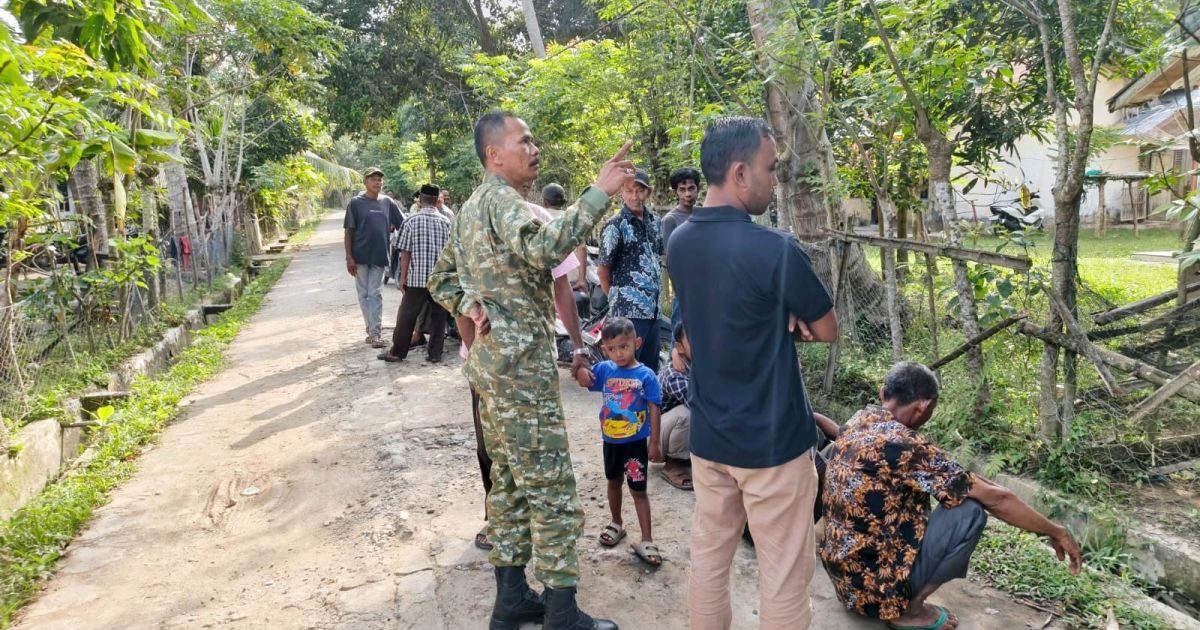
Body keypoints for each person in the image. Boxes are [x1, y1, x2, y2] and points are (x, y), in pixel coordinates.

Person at [428, 110, 633, 630]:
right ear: (494, 155)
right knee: (552, 490)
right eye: (524, 141)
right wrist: (598, 193)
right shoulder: (499, 202)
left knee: (511, 488)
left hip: (492, 372)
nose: (534, 148)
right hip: (519, 375)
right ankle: (561, 615)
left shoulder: (472, 208)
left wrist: (473, 307)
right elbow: (544, 248)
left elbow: (441, 279)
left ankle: (512, 599)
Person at [668, 116, 838, 630]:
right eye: (769, 168)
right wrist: (783, 316)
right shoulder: (775, 249)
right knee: (784, 574)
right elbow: (827, 328)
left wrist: (773, 314)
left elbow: (697, 328)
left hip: (710, 438)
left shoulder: (679, 242)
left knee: (709, 561)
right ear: (740, 173)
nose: (774, 179)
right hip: (773, 446)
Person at [820, 362, 1083, 630]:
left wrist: (814, 415)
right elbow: (998, 500)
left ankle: (894, 599)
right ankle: (908, 612)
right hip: (877, 592)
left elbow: (961, 477)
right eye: (931, 410)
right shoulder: (906, 445)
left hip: (847, 584)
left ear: (882, 393)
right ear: (923, 406)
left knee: (964, 492)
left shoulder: (859, 421)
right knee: (969, 512)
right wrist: (1056, 531)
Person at [465, 199, 591, 552]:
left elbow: (562, 289)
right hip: (489, 363)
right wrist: (471, 350)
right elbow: (455, 287)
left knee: (537, 445)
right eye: (522, 145)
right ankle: (498, 519)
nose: (531, 154)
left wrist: (579, 348)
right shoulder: (472, 219)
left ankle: (538, 522)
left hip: (532, 365)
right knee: (491, 448)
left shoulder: (541, 219)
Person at [580, 317, 663, 567]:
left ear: (636, 343)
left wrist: (655, 442)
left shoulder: (646, 375)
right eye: (612, 348)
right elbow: (585, 379)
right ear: (605, 349)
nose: (619, 353)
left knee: (639, 490)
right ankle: (616, 523)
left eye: (624, 346)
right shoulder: (605, 370)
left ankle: (647, 538)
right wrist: (580, 367)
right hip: (611, 442)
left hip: (636, 443)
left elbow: (655, 407)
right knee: (613, 482)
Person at [597, 169, 664, 373]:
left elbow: (657, 257)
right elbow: (603, 270)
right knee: (627, 372)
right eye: (629, 191)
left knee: (649, 371)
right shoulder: (615, 226)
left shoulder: (655, 222)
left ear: (648, 192)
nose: (635, 196)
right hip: (627, 312)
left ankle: (646, 406)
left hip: (653, 311)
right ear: (622, 194)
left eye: (640, 191)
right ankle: (625, 407)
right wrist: (618, 299)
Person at [379, 184, 451, 363]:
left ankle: (397, 352)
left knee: (406, 317)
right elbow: (452, 254)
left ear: (420, 200)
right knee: (438, 317)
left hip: (416, 279)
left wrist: (402, 277)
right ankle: (435, 354)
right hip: (439, 279)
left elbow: (405, 252)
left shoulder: (411, 220)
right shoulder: (446, 222)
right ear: (436, 201)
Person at [343, 167, 405, 348]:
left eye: (380, 179)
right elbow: (349, 232)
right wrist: (349, 257)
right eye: (373, 179)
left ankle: (375, 333)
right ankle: (370, 329)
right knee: (363, 294)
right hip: (359, 256)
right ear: (365, 182)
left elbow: (404, 223)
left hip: (379, 255)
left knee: (375, 293)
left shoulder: (387, 202)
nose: (377, 182)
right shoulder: (355, 203)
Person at [661, 167, 700, 330]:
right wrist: (681, 292)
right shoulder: (670, 220)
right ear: (676, 193)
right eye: (682, 190)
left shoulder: (705, 214)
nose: (687, 194)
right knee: (679, 339)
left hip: (710, 288)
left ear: (698, 189)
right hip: (685, 293)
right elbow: (670, 261)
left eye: (691, 188)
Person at [657, 323, 692, 490]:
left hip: (667, 428)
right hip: (653, 438)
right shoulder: (674, 373)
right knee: (689, 413)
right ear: (680, 347)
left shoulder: (699, 365)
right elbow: (697, 402)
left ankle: (689, 459)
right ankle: (675, 464)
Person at [542, 183, 588, 292]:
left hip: (548, 281)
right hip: (571, 280)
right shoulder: (573, 220)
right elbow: (582, 249)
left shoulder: (538, 217)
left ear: (545, 202)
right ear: (563, 201)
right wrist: (582, 280)